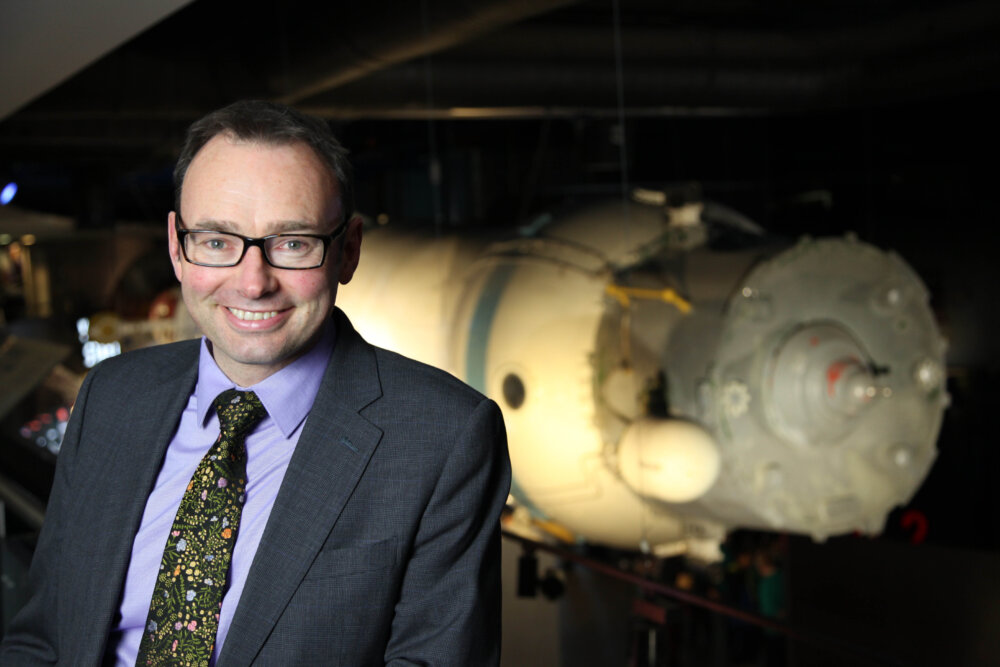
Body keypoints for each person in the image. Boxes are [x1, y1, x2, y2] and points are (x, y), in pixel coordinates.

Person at [0, 100, 511, 666]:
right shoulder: (112, 396)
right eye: (217, 241)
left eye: (292, 243)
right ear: (176, 245)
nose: (252, 283)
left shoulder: (444, 436)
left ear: (348, 250)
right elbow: (42, 639)